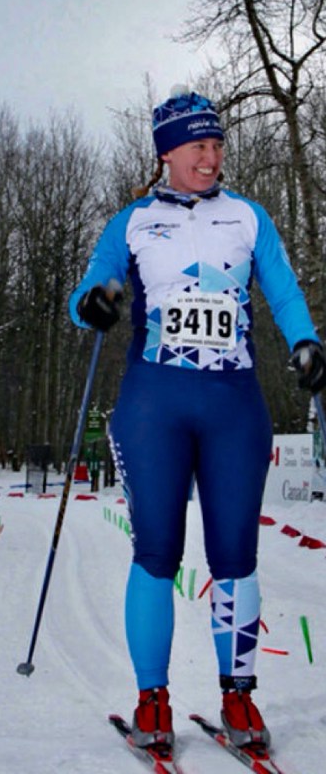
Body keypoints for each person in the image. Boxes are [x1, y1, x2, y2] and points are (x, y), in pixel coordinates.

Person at [69, 86, 326, 751]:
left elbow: (282, 288)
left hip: (233, 406)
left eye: (217, 146)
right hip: (155, 405)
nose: (211, 158)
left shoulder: (246, 217)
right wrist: (94, 303)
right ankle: (152, 699)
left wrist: (305, 344)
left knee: (236, 555)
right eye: (198, 147)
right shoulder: (133, 222)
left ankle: (238, 700)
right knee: (157, 550)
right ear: (167, 153)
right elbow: (102, 283)